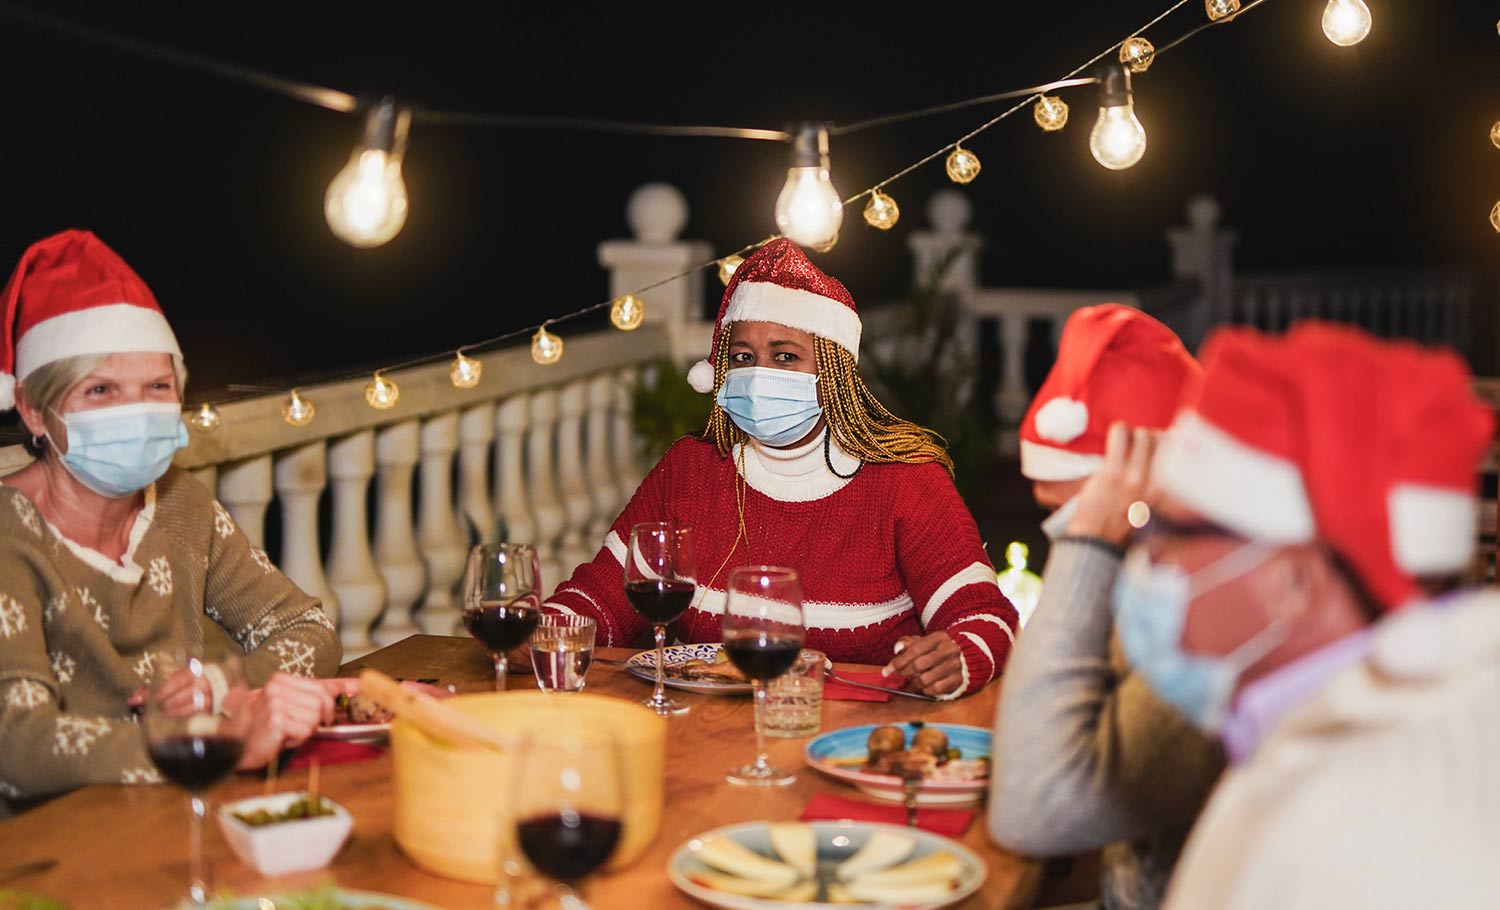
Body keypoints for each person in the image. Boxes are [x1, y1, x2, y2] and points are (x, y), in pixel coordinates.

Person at [1116, 321, 1498, 909]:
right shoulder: (1345, 731)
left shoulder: (1362, 830)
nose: (1147, 560)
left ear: (1292, 583)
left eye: (1171, 532)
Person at [541, 238, 1018, 698]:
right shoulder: (692, 468)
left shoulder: (903, 481)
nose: (757, 375)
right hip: (704, 734)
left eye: (785, 356)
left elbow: (983, 616)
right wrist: (546, 632)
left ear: (831, 372)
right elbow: (603, 596)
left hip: (848, 744)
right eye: (743, 358)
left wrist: (958, 653)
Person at [0, 230, 341, 815]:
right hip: (47, 847)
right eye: (101, 390)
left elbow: (308, 631)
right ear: (34, 409)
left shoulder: (182, 505)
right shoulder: (10, 534)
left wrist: (214, 685)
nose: (136, 411)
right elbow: (18, 745)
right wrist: (219, 740)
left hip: (177, 806)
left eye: (157, 387)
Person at [988, 304, 1221, 910]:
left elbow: (1031, 807)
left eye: (1079, 514)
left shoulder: (1210, 628)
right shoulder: (1163, 578)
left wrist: (1088, 545)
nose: (1064, 535)